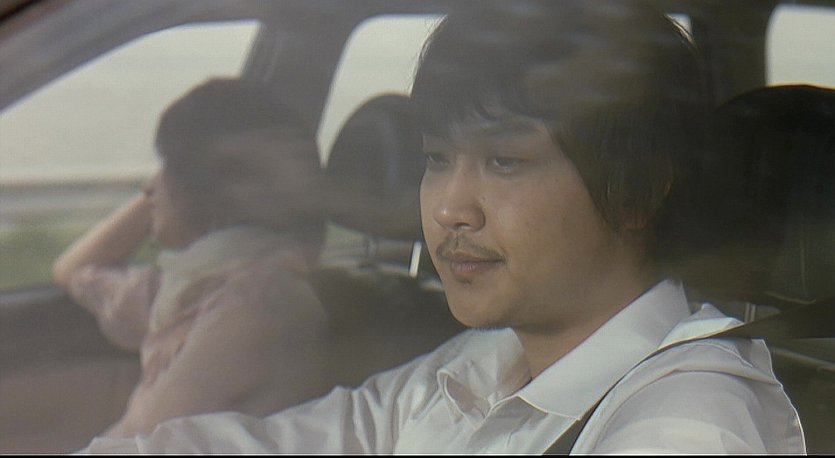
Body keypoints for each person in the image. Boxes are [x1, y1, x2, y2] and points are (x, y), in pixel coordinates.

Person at [80, 1, 804, 453]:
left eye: (505, 161)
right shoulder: (476, 368)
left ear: (637, 190)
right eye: (436, 158)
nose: (450, 208)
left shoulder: (689, 422)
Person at [53, 77, 331, 438]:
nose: (149, 186)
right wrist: (165, 197)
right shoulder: (192, 285)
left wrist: (185, 193)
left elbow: (149, 441)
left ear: (206, 187)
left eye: (167, 166)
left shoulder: (259, 304)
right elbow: (75, 271)